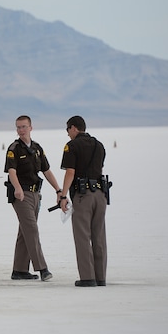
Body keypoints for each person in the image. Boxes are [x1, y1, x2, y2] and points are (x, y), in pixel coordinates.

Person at [4, 115, 61, 282]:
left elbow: (46, 170)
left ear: (30, 127)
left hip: (36, 194)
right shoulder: (14, 148)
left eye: (23, 127)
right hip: (21, 196)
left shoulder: (37, 148)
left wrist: (58, 190)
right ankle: (42, 268)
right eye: (18, 127)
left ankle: (19, 270)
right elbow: (11, 171)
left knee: (25, 232)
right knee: (32, 230)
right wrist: (18, 188)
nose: (21, 130)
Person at [59, 115, 108, 287]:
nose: (67, 134)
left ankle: (88, 278)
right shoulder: (99, 145)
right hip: (100, 195)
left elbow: (70, 172)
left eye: (67, 130)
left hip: (83, 196)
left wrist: (63, 195)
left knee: (82, 237)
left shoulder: (72, 146)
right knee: (99, 236)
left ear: (73, 128)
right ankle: (100, 277)